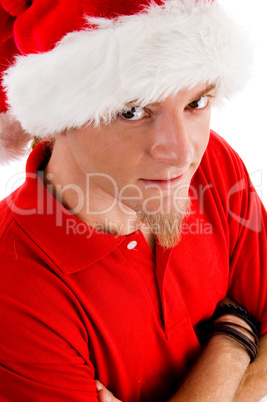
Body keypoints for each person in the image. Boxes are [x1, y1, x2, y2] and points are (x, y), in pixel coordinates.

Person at [0, 0, 266, 401]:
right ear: (59, 118)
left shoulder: (212, 162)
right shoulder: (13, 286)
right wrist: (232, 341)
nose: (181, 153)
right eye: (133, 111)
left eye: (196, 103)